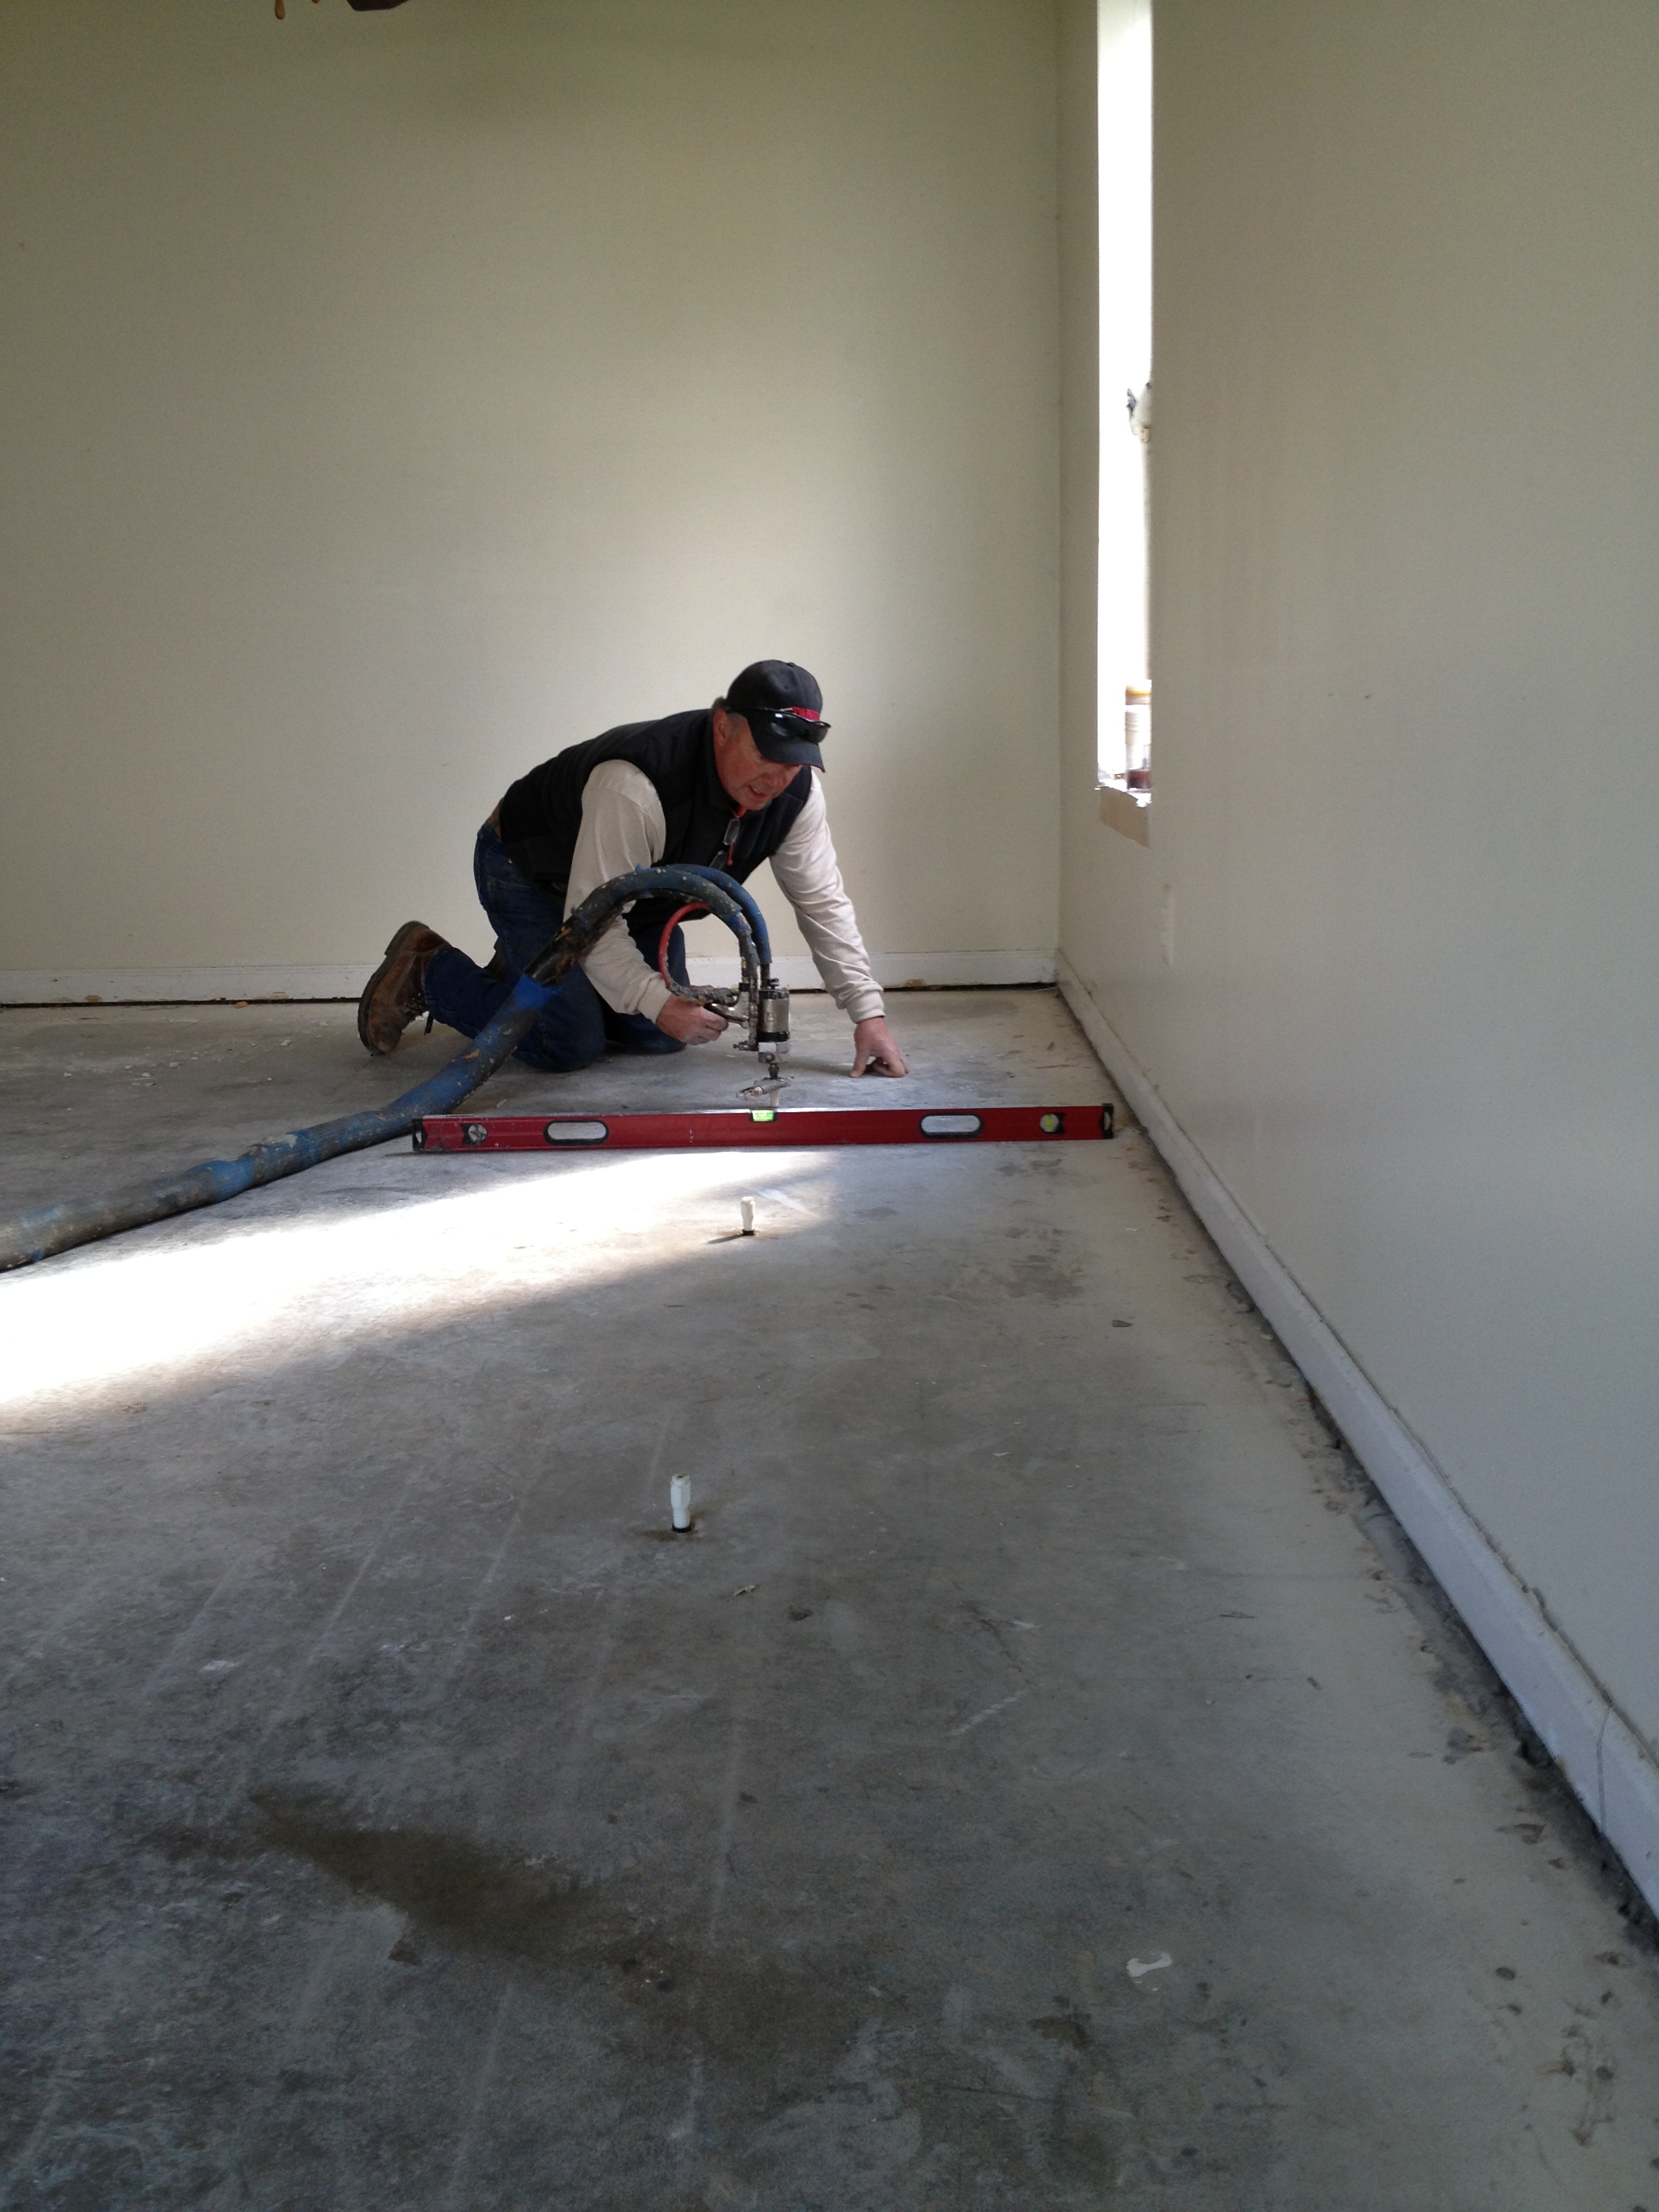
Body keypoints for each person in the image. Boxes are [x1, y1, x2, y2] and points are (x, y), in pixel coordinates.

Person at [356, 660, 909, 1078]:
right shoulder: (638, 784)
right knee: (567, 1043)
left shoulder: (796, 797)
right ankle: (430, 969)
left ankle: (528, 972)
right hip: (531, 873)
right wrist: (653, 998)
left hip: (629, 898)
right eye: (765, 755)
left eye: (793, 763)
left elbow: (822, 904)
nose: (776, 779)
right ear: (723, 727)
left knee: (662, 1034)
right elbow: (589, 913)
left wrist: (869, 1016)